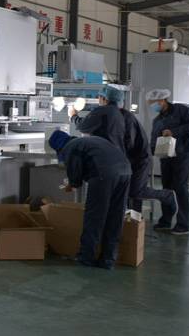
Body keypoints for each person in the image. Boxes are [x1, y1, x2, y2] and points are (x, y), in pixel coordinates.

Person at [48, 130, 132, 270]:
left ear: (59, 149)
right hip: (125, 172)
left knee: (95, 216)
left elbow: (75, 176)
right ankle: (108, 260)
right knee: (115, 216)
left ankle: (85, 256)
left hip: (103, 174)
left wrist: (72, 185)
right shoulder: (85, 141)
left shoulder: (69, 148)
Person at [146, 89, 189, 236]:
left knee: (180, 189)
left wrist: (174, 131)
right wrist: (145, 153)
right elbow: (154, 141)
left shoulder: (180, 110)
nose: (151, 105)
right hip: (166, 158)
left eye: (152, 102)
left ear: (162, 100)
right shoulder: (157, 120)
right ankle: (165, 221)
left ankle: (183, 225)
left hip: (183, 156)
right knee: (167, 190)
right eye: (150, 103)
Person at [115, 96, 178, 217]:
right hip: (129, 159)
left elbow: (129, 142)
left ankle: (167, 195)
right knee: (128, 191)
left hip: (139, 159)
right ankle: (135, 220)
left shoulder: (126, 118)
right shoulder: (116, 117)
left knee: (135, 191)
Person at [68, 85, 126, 154]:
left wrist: (73, 116)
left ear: (103, 98)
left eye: (99, 96)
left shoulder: (103, 111)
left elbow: (82, 125)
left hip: (105, 153)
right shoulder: (118, 112)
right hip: (118, 154)